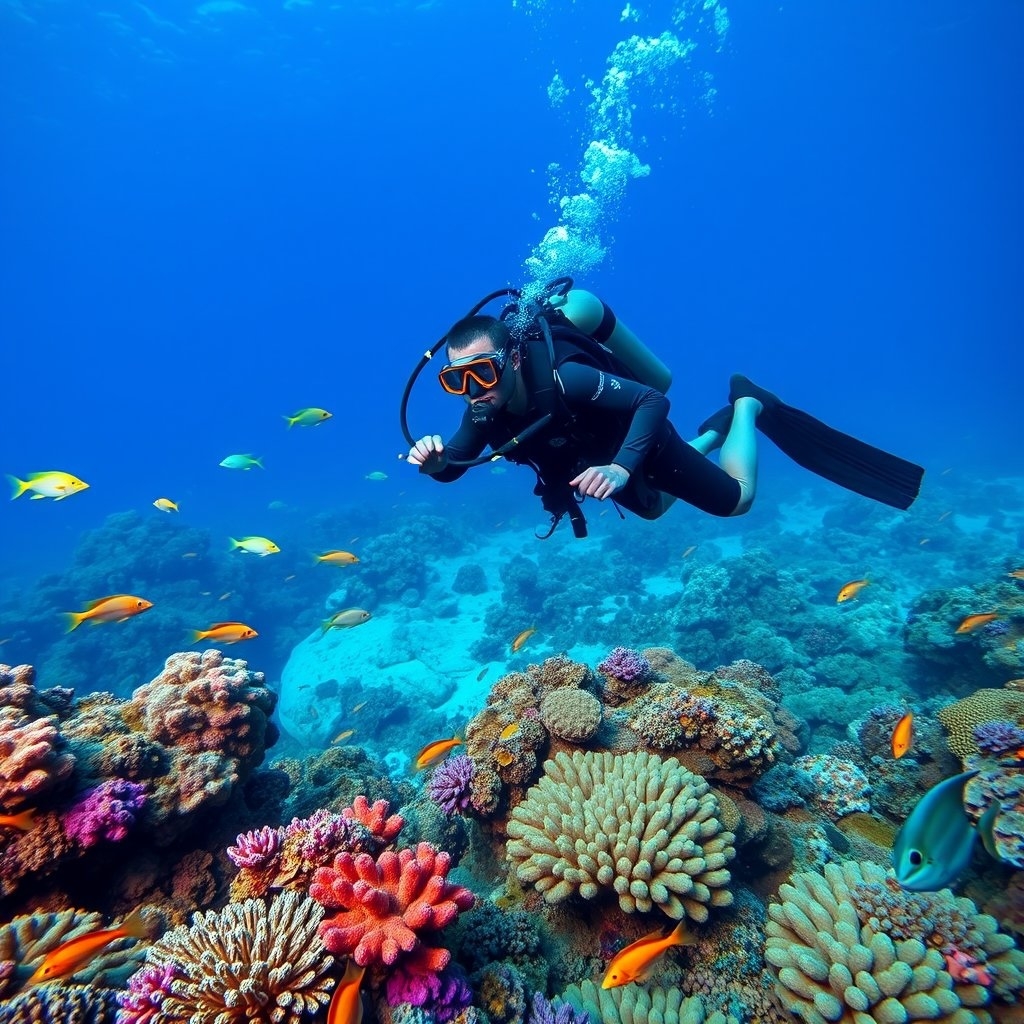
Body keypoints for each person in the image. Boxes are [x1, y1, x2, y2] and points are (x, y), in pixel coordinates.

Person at [406, 286, 923, 538]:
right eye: (456, 380)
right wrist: (435, 463)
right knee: (654, 509)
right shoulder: (483, 411)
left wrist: (620, 467)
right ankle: (713, 435)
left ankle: (746, 403)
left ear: (515, 359)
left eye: (482, 373)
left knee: (736, 502)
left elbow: (653, 398)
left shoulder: (568, 378)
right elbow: (454, 466)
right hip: (600, 454)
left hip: (637, 431)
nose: (472, 391)